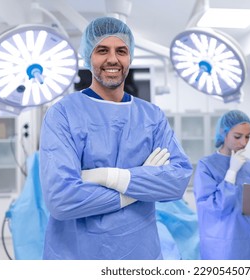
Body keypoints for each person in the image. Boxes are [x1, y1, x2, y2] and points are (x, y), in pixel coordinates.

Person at [39, 16, 193, 260]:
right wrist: (139, 186)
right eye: (102, 50)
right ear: (89, 56)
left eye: (121, 50)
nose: (112, 59)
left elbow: (178, 180)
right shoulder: (63, 114)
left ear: (130, 57)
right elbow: (61, 200)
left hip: (140, 254)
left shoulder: (151, 116)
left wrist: (110, 177)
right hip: (78, 255)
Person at [193, 110, 250, 260]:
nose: (243, 142)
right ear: (223, 133)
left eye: (247, 137)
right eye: (237, 136)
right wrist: (231, 173)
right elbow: (214, 208)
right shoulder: (206, 166)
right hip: (221, 247)